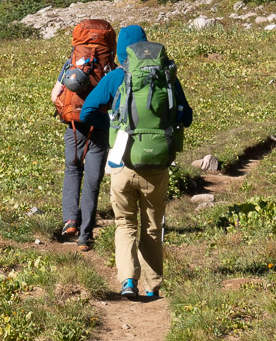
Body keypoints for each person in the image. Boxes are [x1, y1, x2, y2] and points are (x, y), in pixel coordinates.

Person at [79, 25, 192, 300]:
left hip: (123, 163)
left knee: (125, 224)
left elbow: (87, 111)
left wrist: (113, 131)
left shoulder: (117, 76)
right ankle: (153, 288)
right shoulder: (168, 77)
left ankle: (128, 281)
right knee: (152, 227)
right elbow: (186, 116)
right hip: (158, 165)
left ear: (122, 52)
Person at [50, 19, 116, 252]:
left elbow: (54, 94)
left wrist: (65, 110)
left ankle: (70, 221)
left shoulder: (71, 62)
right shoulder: (111, 67)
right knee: (92, 179)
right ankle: (85, 236)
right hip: (99, 126)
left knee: (72, 169)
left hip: (74, 125)